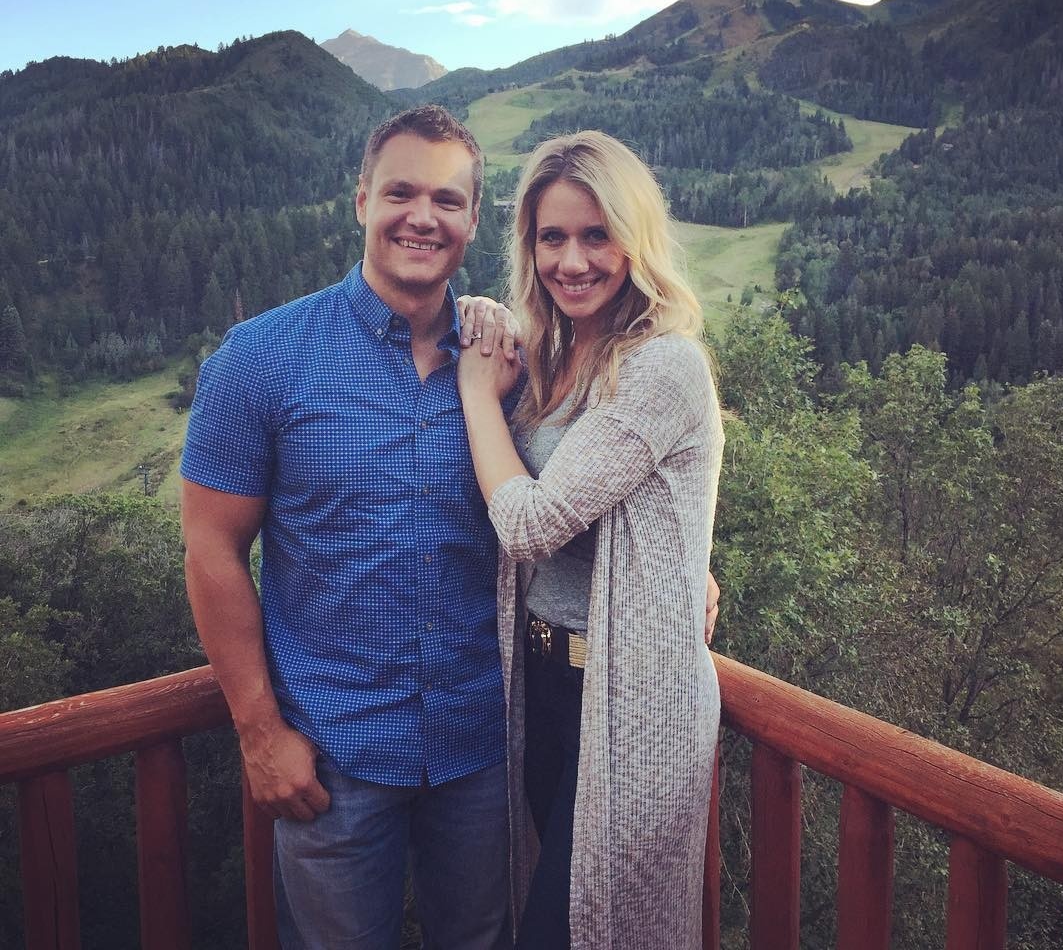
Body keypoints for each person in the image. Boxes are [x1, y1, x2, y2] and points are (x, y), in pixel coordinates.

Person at [180, 104, 520, 950]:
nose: (422, 217)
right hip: (332, 757)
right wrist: (260, 734)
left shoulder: (505, 362)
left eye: (447, 200)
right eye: (401, 193)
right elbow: (213, 550)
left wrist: (680, 563)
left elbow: (581, 487)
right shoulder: (260, 360)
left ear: (474, 219)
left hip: (481, 748)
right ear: (362, 200)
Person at [456, 130, 724, 949]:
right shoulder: (556, 354)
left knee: (577, 930)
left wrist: (476, 395)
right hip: (545, 683)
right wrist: (488, 324)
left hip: (633, 696)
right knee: (564, 912)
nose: (571, 261)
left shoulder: (661, 366)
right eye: (552, 238)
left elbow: (531, 521)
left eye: (596, 235)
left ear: (635, 238)